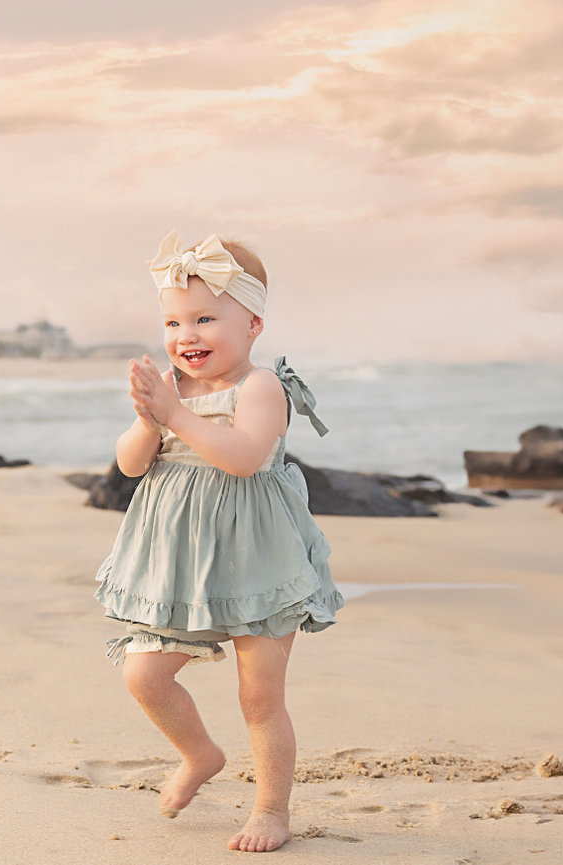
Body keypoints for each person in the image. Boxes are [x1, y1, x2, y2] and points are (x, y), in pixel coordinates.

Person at [95, 230, 344, 853]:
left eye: (206, 318)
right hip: (182, 567)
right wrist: (149, 419)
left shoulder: (262, 388)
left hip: (260, 561)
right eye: (174, 321)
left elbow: (242, 457)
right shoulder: (171, 394)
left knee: (260, 696)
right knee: (144, 676)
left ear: (254, 323)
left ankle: (270, 808)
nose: (188, 336)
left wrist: (176, 417)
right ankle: (199, 753)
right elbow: (129, 466)